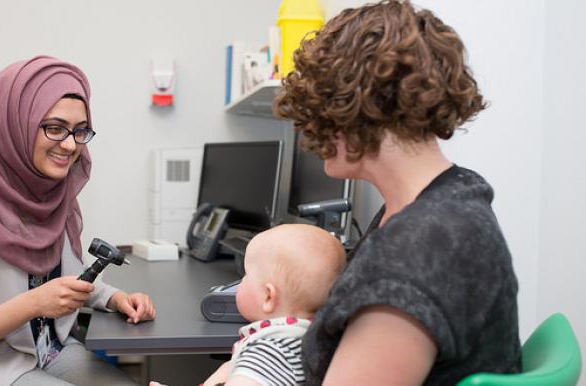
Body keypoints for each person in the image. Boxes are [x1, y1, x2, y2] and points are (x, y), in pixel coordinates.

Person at [273, 1, 521, 385]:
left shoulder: (415, 255)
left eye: (318, 112)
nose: (311, 131)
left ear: (354, 110)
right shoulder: (450, 196)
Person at [0, 56, 156, 386]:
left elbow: (62, 276)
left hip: (47, 351)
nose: (69, 144)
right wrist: (34, 304)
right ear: (13, 123)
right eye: (54, 128)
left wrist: (114, 298)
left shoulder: (47, 191)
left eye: (79, 131)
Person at [152, 224, 346, 386]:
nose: (241, 282)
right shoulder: (304, 340)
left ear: (268, 297)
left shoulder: (269, 352)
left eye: (245, 275)